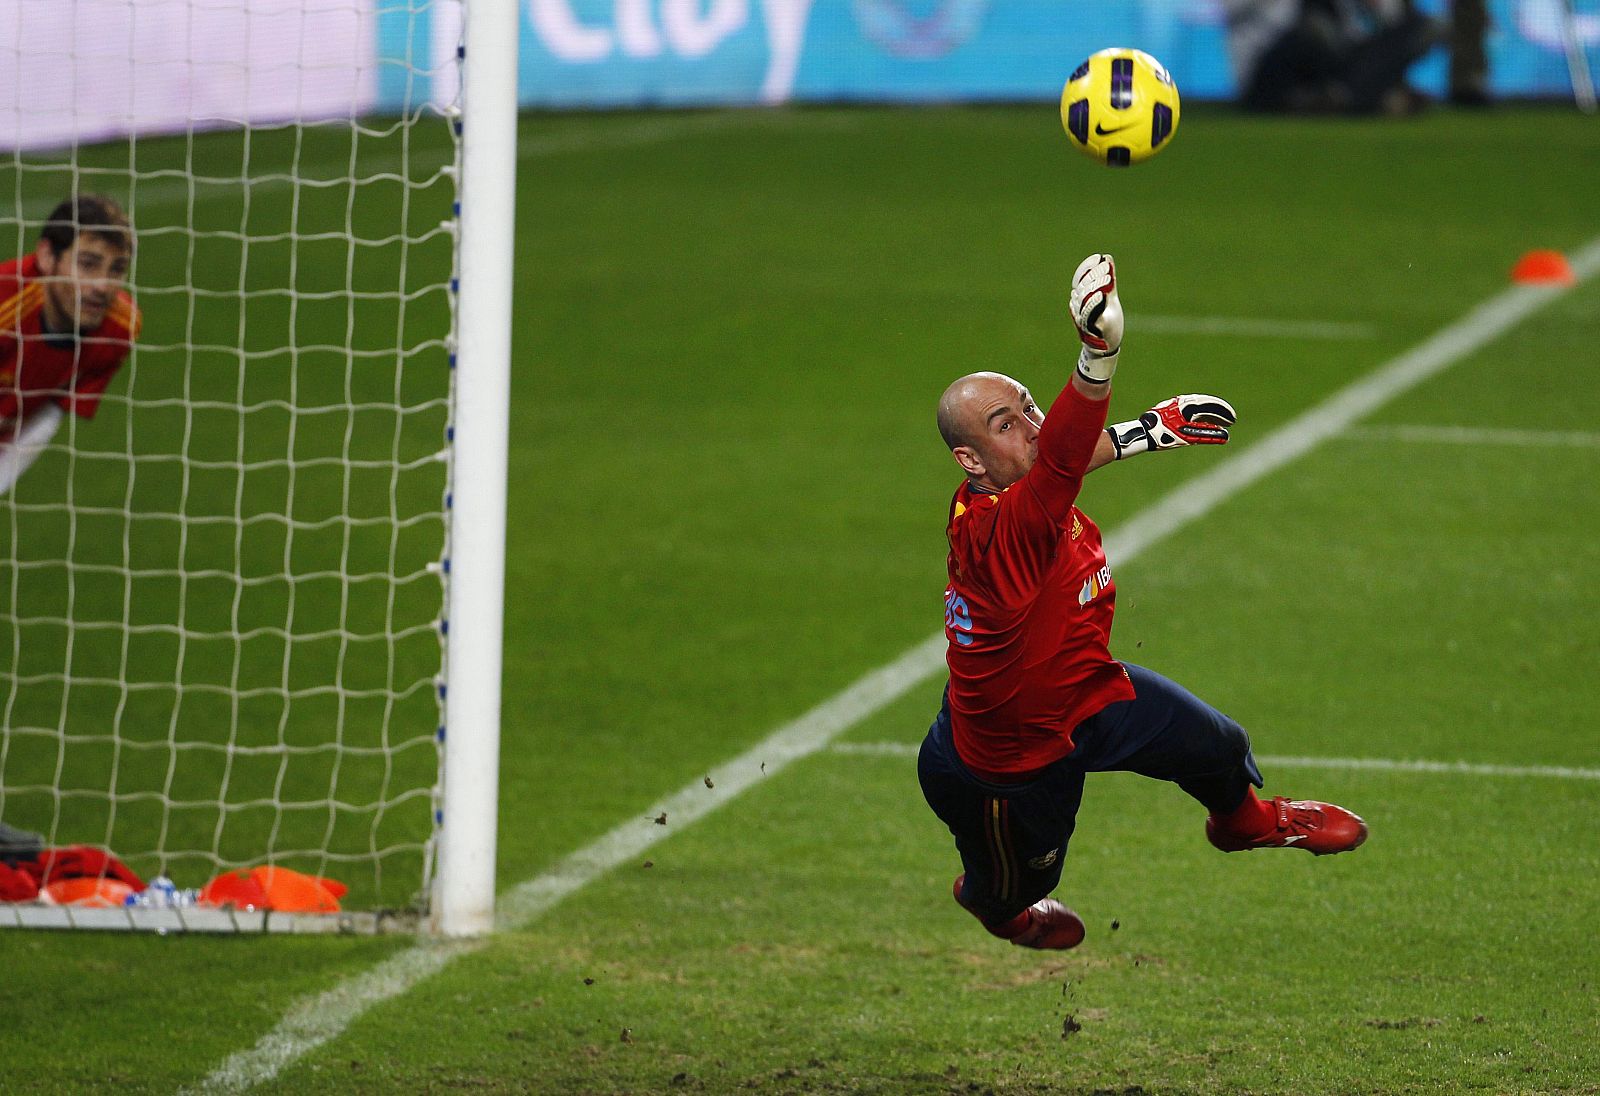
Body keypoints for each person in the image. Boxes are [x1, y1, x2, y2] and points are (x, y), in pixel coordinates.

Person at [918, 254, 1366, 950]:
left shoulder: (1021, 490)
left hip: (1082, 694)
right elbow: (1060, 460)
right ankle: (995, 905)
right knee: (1018, 884)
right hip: (1007, 763)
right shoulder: (1000, 532)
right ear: (970, 461)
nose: (1032, 425)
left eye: (1032, 406)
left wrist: (1151, 430)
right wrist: (1098, 357)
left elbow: (1058, 461)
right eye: (1006, 424)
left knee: (1217, 745)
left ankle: (1245, 823)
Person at [0, 193, 139, 496]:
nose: (102, 286)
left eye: (116, 269)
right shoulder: (5, 304)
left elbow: (45, 417)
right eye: (88, 264)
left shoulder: (120, 328)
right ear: (47, 257)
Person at [1223, 0, 1447, 114]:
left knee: (1422, 28)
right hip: (1267, 67)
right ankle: (1367, 99)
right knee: (1313, 30)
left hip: (1334, 65)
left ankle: (1340, 97)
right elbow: (1234, 9)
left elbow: (1386, 21)